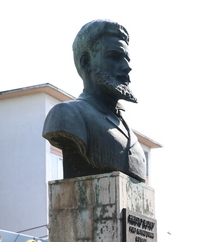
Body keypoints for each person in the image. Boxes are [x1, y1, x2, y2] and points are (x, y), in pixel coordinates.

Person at [42, 20, 147, 181]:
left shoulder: (129, 132)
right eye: (114, 57)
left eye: (127, 59)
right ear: (86, 62)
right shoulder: (67, 114)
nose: (127, 67)